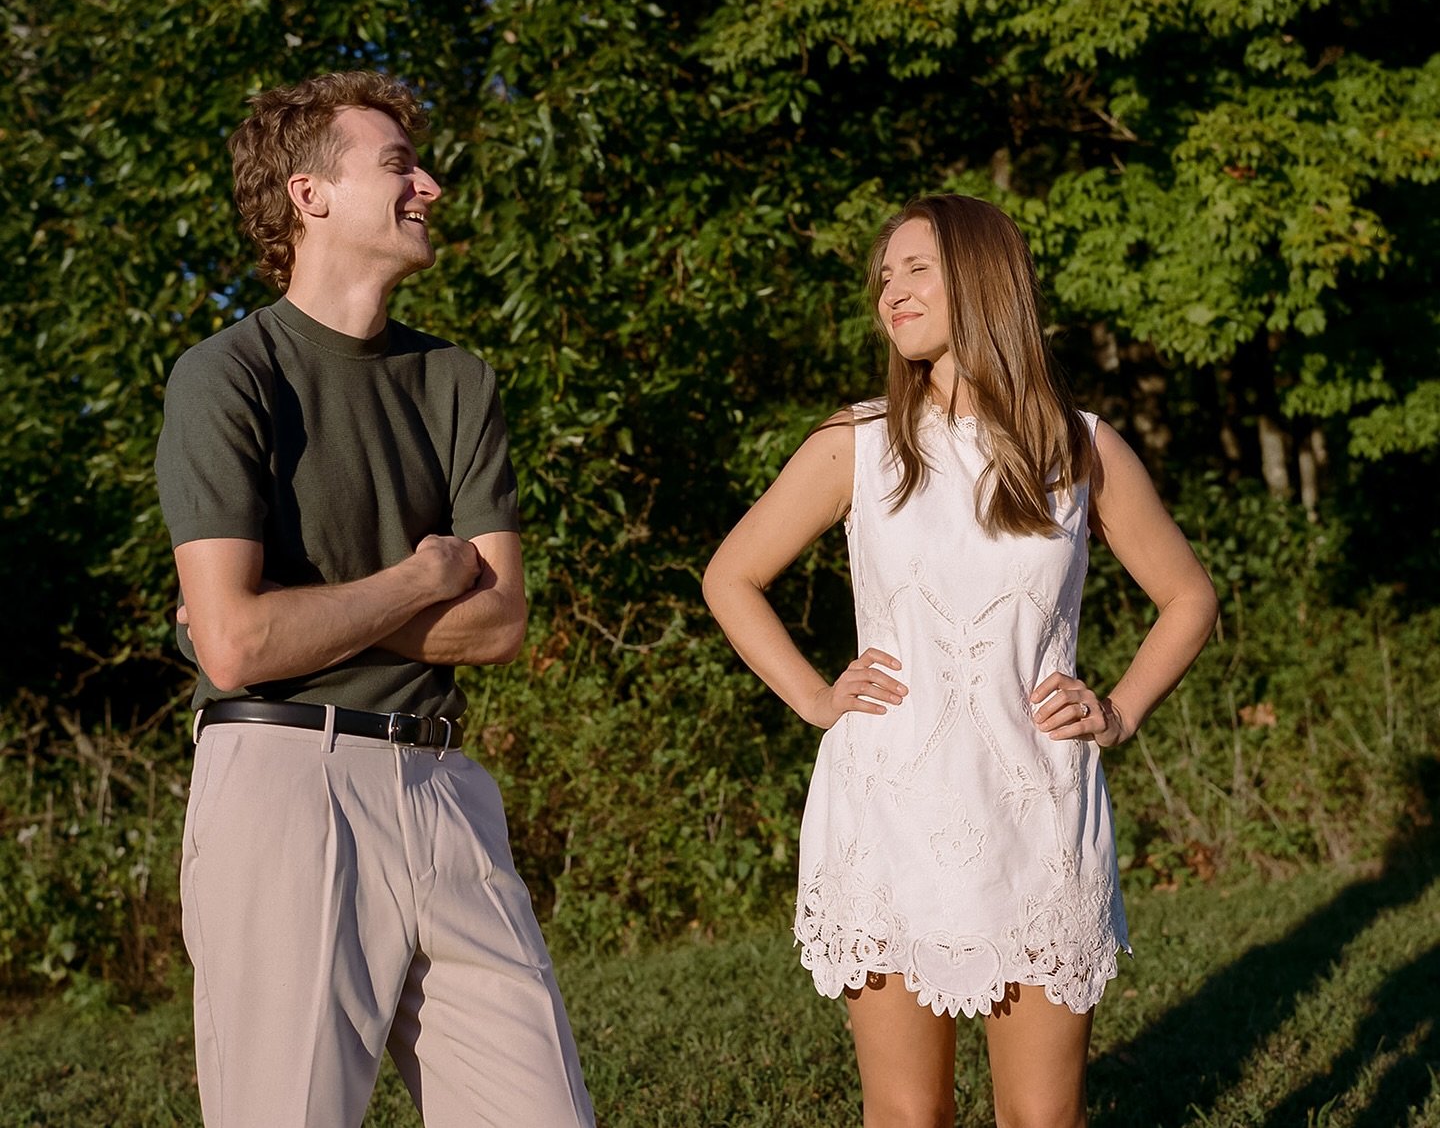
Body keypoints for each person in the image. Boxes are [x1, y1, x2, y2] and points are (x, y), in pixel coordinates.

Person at [703, 194, 1218, 1128]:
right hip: (889, 807)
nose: (892, 291)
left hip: (1038, 806)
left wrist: (1122, 711)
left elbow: (1190, 597)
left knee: (1041, 1119)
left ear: (983, 281)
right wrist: (818, 698)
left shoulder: (1079, 443)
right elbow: (730, 577)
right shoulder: (857, 442)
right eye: (885, 276)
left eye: (917, 269)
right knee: (907, 1118)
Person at [155, 71, 594, 1128]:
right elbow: (233, 642)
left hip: (444, 786)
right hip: (284, 784)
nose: (429, 186)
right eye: (400, 165)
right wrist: (420, 575)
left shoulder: (458, 380)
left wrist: (297, 611)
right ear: (309, 194)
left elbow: (500, 620)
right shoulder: (227, 375)